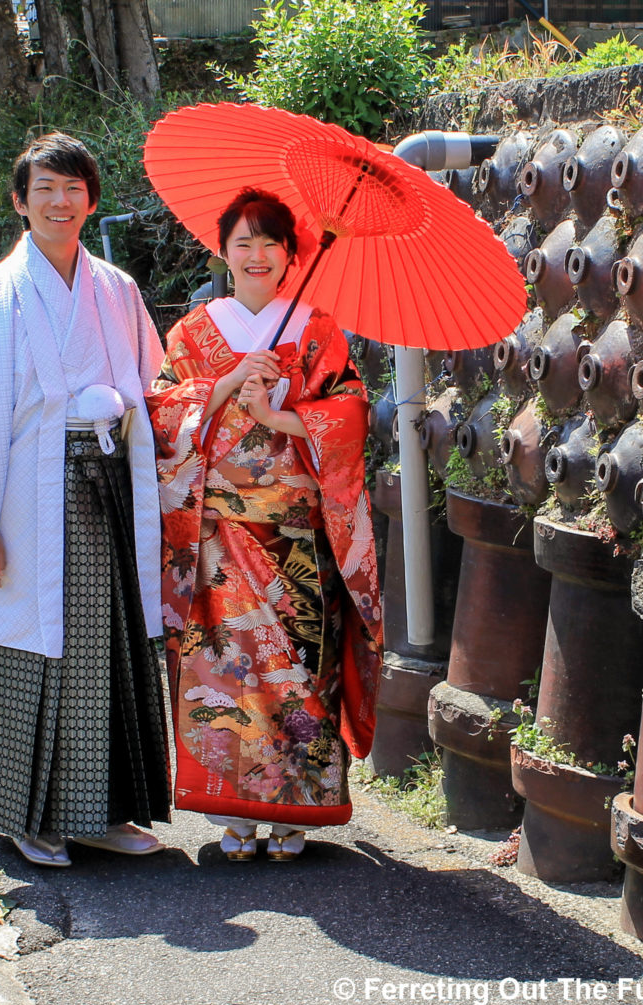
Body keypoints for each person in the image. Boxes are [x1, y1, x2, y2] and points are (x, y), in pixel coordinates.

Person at [0, 133, 171, 867]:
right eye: (45, 191)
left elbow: (154, 390)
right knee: (30, 643)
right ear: (20, 203)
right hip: (27, 493)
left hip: (107, 483)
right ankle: (29, 816)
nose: (60, 203)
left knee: (109, 645)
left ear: (91, 201)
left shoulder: (119, 290)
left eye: (73, 190)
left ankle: (106, 808)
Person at [148, 187, 382, 861]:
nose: (256, 255)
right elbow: (164, 413)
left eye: (270, 243)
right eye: (242, 243)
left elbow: (351, 413)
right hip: (220, 530)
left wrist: (282, 418)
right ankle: (238, 813)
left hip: (295, 531)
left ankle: (295, 812)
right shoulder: (193, 331)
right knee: (228, 672)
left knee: (299, 671)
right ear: (222, 252)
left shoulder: (317, 329)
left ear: (290, 255)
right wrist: (224, 386)